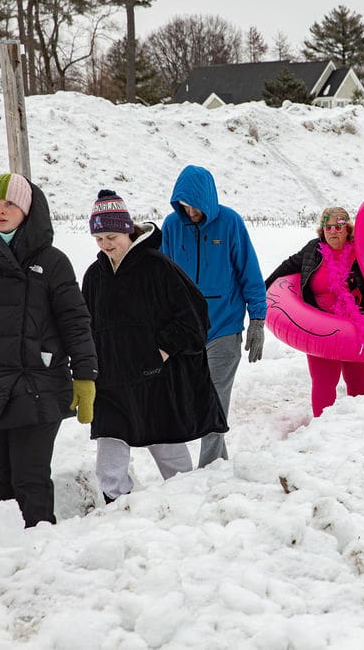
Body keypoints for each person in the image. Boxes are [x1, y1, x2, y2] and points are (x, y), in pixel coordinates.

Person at [0, 173, 97, 528]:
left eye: (10, 204)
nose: (0, 211)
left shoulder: (53, 261)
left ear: (27, 210)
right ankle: (4, 545)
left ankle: (41, 542)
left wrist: (85, 377)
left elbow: (76, 322)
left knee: (29, 477)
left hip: (38, 383)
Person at [83, 190, 227, 503]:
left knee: (169, 453)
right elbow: (86, 325)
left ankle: (185, 503)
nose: (106, 244)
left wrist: (159, 352)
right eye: (99, 238)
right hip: (111, 381)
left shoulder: (158, 267)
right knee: (109, 456)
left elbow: (195, 317)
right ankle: (117, 507)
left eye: (111, 236)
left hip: (155, 379)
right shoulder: (94, 276)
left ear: (128, 230)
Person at [161, 165, 266, 468]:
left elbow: (249, 272)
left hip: (224, 327)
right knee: (190, 399)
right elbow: (162, 278)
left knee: (215, 399)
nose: (191, 212)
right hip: (185, 329)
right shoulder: (172, 226)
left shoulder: (230, 223)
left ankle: (208, 468)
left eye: (196, 206)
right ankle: (219, 465)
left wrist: (257, 320)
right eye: (185, 206)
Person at [265, 206, 364, 416]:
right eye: (328, 227)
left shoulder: (362, 252)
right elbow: (288, 266)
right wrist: (261, 289)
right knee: (324, 382)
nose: (332, 231)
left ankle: (361, 426)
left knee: (359, 382)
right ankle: (322, 428)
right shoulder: (313, 250)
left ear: (348, 229)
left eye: (338, 227)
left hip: (356, 328)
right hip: (322, 330)